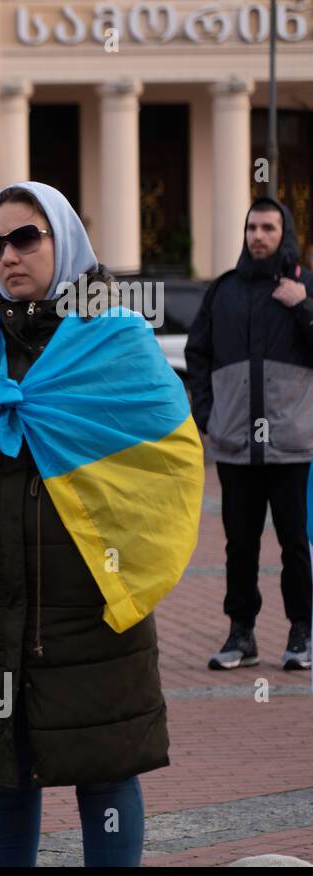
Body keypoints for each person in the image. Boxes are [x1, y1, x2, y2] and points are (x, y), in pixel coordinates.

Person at [0, 182, 204, 867]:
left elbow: (172, 457)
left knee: (103, 766)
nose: (9, 255)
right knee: (1, 768)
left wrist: (126, 564)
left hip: (90, 600)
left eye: (26, 238)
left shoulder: (116, 337)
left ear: (63, 238)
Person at [186, 198, 313, 671]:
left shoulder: (304, 287)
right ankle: (241, 634)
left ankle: (302, 632)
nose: (258, 236)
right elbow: (197, 353)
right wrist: (207, 413)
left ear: (285, 233)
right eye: (252, 227)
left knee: (294, 543)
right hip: (235, 444)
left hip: (289, 444)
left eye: (268, 227)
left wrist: (303, 308)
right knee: (239, 545)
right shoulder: (225, 291)